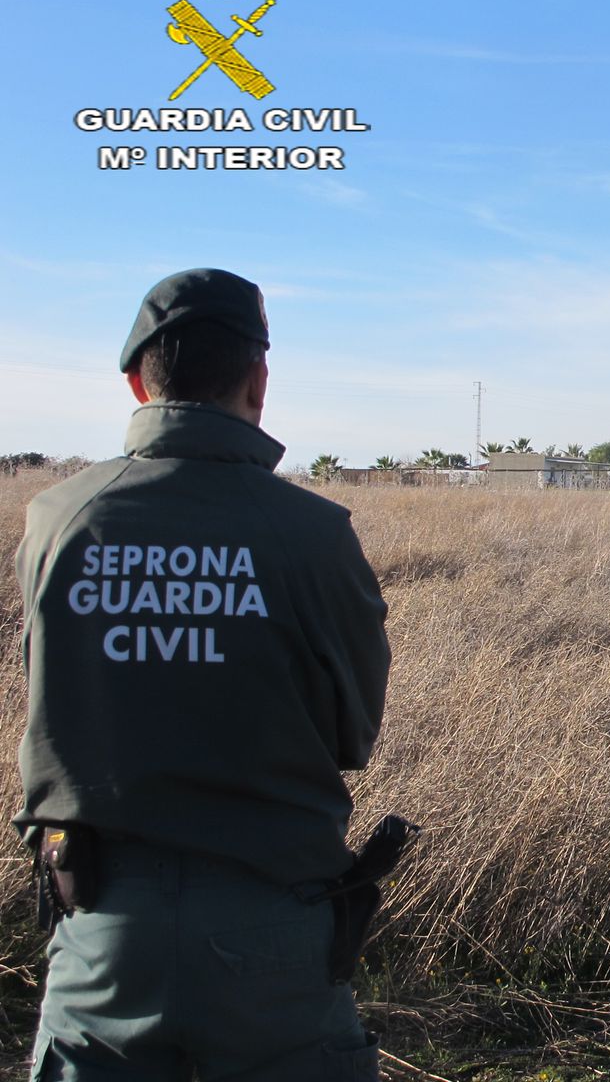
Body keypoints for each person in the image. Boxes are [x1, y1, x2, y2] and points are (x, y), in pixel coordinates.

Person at [13, 267, 391, 1081]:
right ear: (258, 381)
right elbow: (353, 729)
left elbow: (48, 699)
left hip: (102, 923)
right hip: (276, 921)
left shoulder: (59, 518)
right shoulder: (314, 533)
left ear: (133, 382)